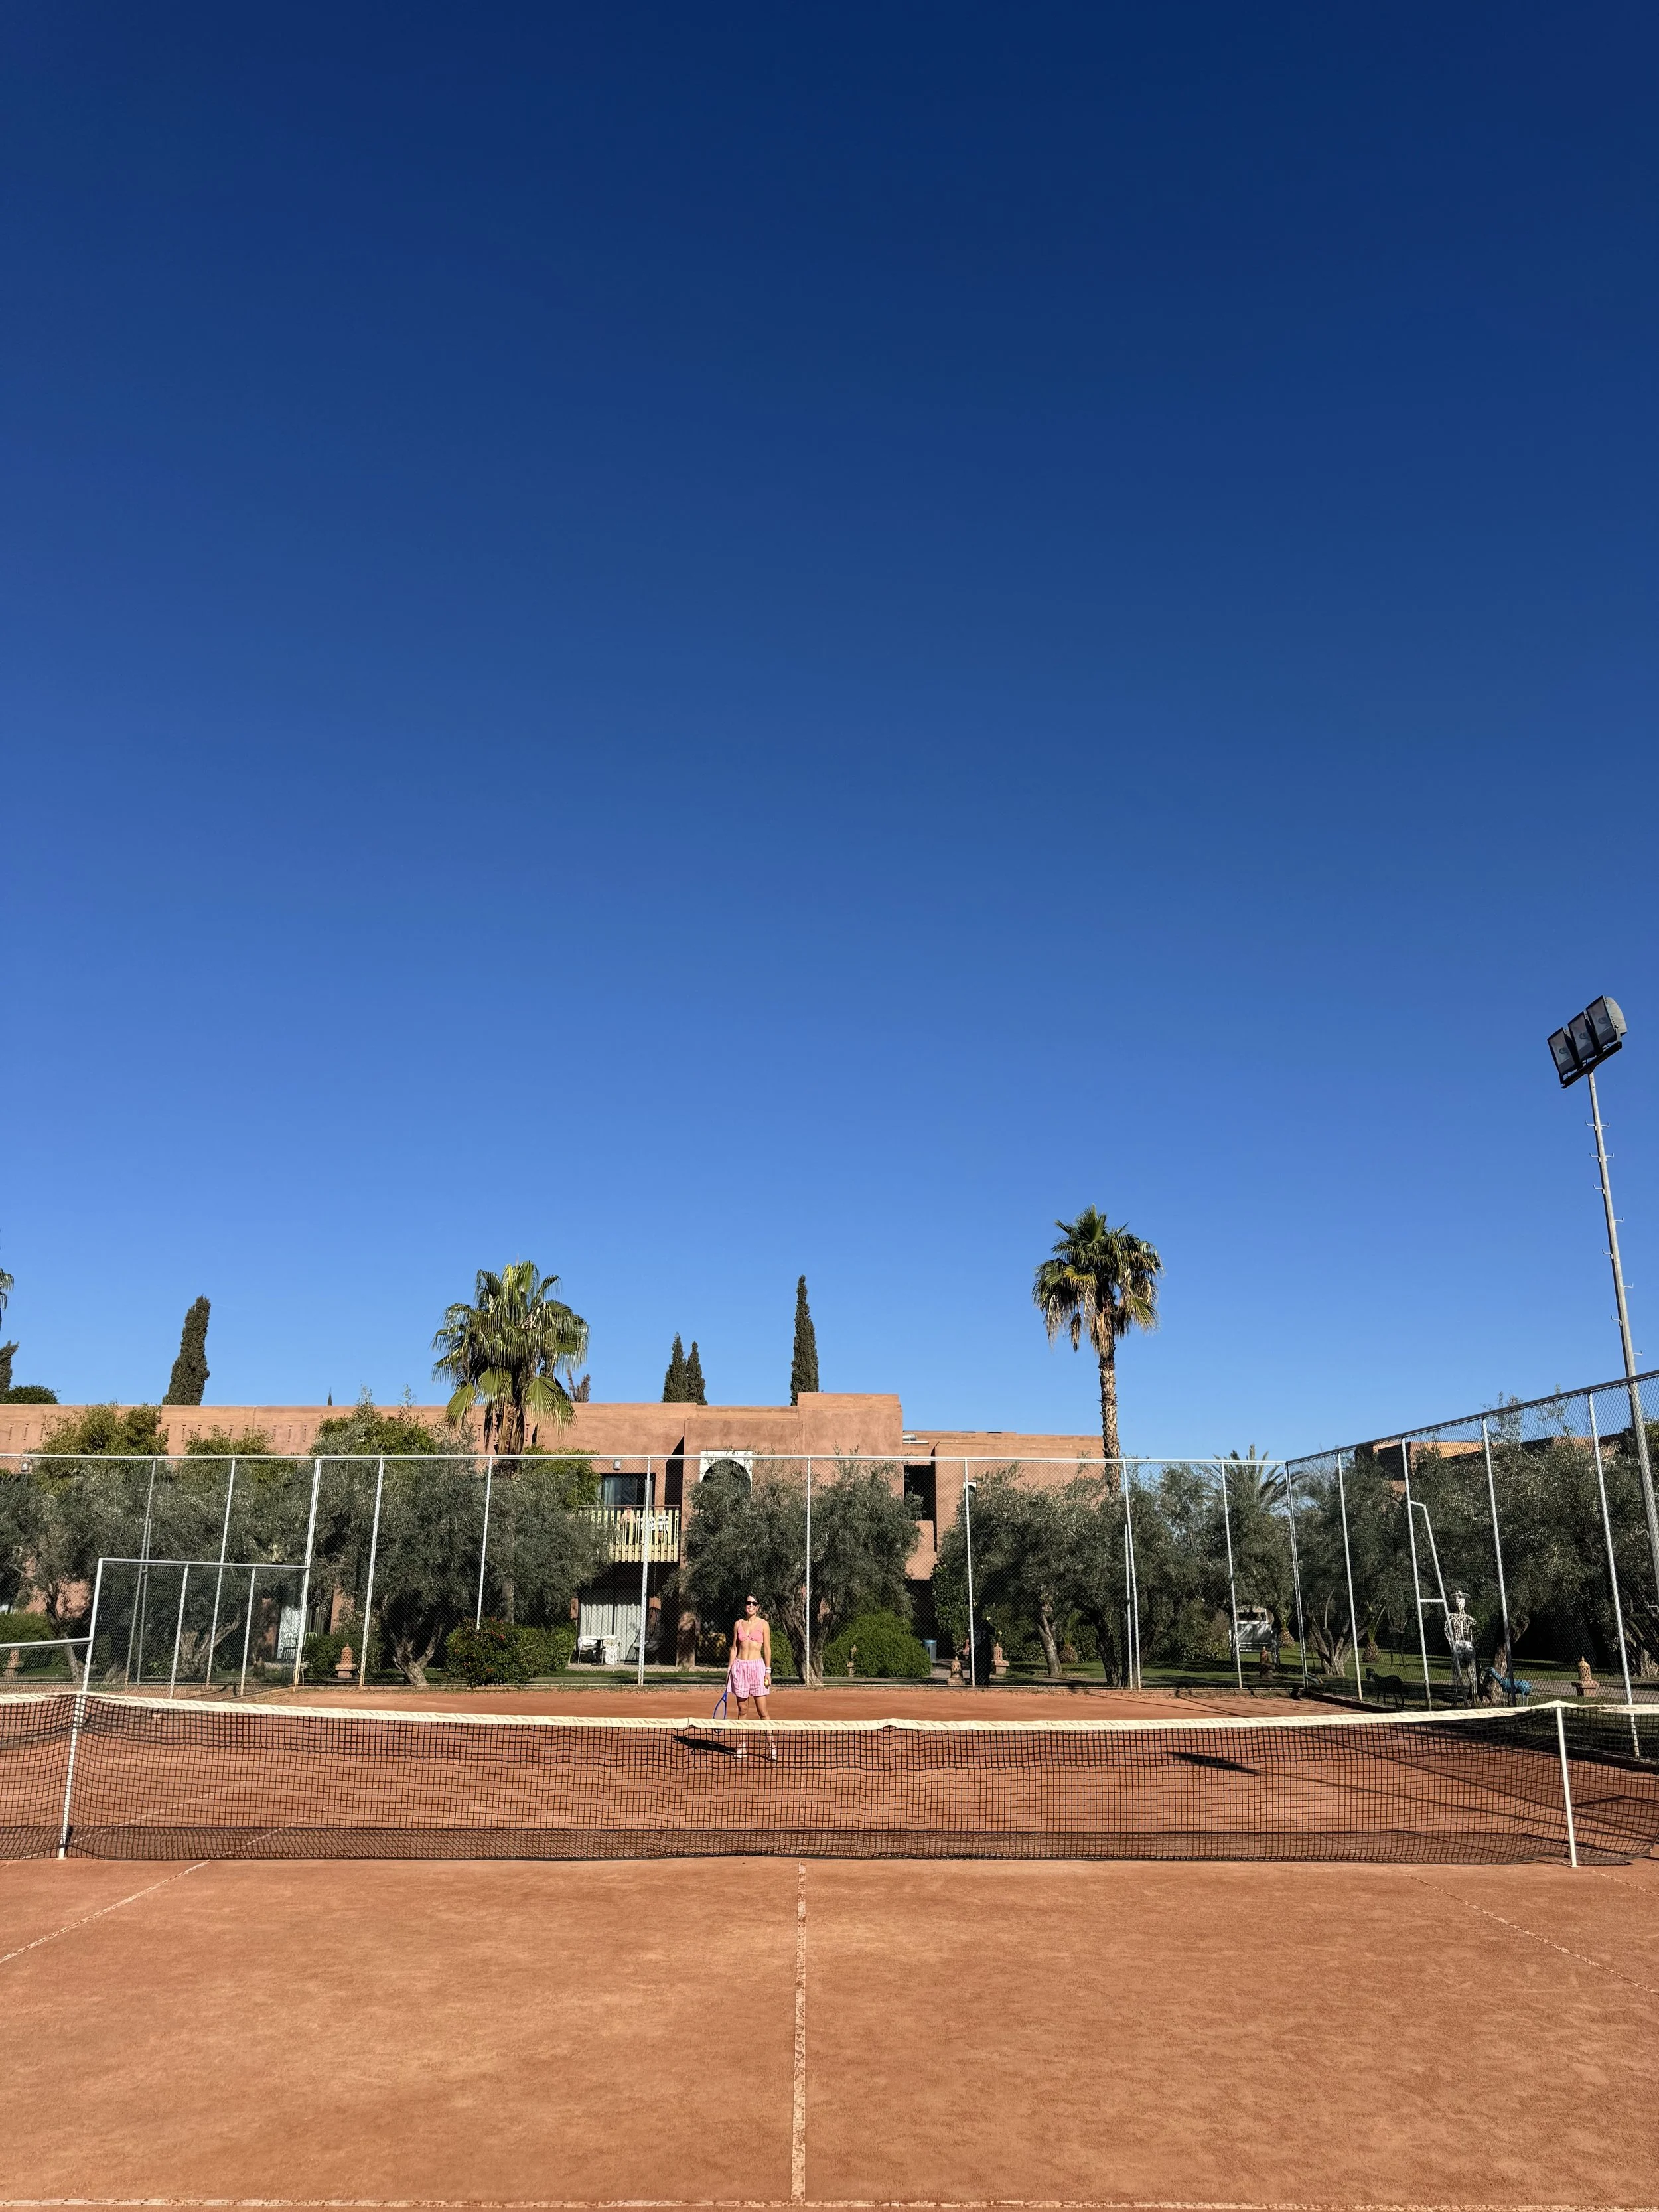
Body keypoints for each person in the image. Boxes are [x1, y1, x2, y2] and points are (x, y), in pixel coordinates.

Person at [727, 1595, 777, 1759]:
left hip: (758, 1668)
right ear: (745, 1606)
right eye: (748, 1603)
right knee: (742, 1710)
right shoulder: (738, 1624)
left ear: (758, 1607)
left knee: (763, 1711)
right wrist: (730, 1669)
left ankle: (771, 1747)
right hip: (740, 1668)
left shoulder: (764, 1625)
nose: (750, 1606)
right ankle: (742, 1747)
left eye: (754, 1603)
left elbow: (768, 1649)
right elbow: (734, 1648)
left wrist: (768, 1671)